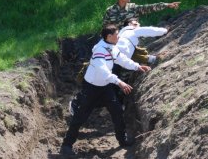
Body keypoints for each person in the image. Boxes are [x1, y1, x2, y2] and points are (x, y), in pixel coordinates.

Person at [60, 24, 151, 157]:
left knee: (117, 111)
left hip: (105, 87)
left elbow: (122, 59)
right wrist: (119, 82)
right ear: (109, 36)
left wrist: (137, 66)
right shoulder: (99, 51)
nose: (119, 36)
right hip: (91, 88)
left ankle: (122, 139)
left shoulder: (112, 47)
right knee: (80, 116)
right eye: (116, 34)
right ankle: (66, 145)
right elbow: (103, 72)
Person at [102, 0, 180, 29]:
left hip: (133, 39)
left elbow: (149, 7)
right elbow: (106, 28)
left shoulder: (133, 7)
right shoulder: (110, 11)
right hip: (118, 42)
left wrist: (167, 5)